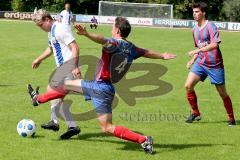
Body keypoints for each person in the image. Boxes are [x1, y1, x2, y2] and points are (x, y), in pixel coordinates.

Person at [28, 17, 176, 154]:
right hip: (108, 89)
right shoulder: (131, 48)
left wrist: (86, 34)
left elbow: (102, 39)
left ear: (117, 30)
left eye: (113, 27)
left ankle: (37, 99)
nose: (111, 29)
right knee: (107, 127)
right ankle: (143, 140)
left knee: (65, 85)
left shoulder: (114, 43)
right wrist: (162, 55)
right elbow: (146, 52)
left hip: (99, 86)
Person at [31, 9, 81, 139]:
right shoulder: (51, 31)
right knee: (56, 96)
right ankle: (70, 126)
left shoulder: (60, 28)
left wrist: (75, 66)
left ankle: (56, 122)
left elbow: (75, 47)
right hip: (62, 67)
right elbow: (51, 48)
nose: (41, 28)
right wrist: (39, 59)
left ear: (47, 20)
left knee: (52, 90)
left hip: (68, 66)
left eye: (41, 25)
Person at [185, 2, 236, 126]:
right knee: (188, 86)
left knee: (222, 93)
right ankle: (196, 112)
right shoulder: (194, 29)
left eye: (197, 12)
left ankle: (231, 118)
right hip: (201, 63)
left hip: (215, 65)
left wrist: (197, 51)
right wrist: (193, 60)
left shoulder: (211, 26)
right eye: (193, 12)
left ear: (203, 13)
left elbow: (214, 44)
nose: (194, 14)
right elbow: (199, 46)